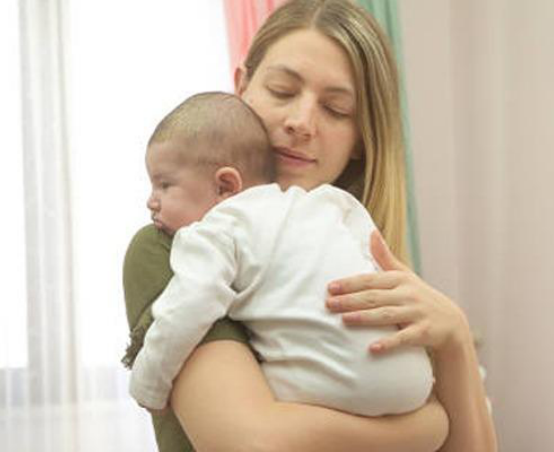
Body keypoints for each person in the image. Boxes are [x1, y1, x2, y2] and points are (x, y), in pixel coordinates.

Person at [122, 0, 498, 450]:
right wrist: (428, 426)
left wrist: (455, 340)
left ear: (361, 139)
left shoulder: (368, 260)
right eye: (282, 90)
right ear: (242, 87)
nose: (301, 123)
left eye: (336, 109)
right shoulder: (170, 246)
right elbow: (253, 444)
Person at [128, 91, 434, 417]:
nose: (151, 201)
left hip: (342, 385)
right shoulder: (322, 202)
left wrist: (147, 385)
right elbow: (367, 242)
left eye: (164, 185)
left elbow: (188, 306)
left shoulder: (215, 230)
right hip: (414, 380)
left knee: (251, 393)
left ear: (225, 186)